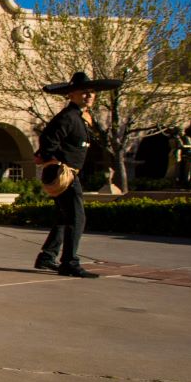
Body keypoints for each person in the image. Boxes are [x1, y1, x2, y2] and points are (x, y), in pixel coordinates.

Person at [34, 70, 121, 278]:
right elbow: (47, 141)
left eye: (91, 92)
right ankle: (69, 262)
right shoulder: (68, 117)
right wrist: (53, 160)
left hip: (71, 172)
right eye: (84, 92)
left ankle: (48, 255)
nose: (89, 96)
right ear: (71, 95)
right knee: (77, 217)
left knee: (64, 217)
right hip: (65, 174)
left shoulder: (80, 118)